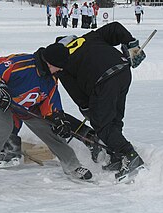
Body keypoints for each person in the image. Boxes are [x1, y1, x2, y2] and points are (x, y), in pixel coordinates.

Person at [0, 45, 93, 196]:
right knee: (4, 130)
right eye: (59, 67)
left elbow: (51, 99)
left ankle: (72, 165)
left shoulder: (51, 78)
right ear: (49, 63)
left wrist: (58, 117)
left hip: (26, 107)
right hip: (5, 103)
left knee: (48, 131)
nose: (60, 70)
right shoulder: (21, 64)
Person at [52, 22, 146, 182]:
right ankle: (117, 155)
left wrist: (88, 109)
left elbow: (77, 94)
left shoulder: (63, 62)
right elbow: (115, 27)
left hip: (103, 81)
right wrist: (132, 46)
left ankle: (130, 156)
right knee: (114, 118)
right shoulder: (90, 37)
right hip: (123, 71)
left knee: (102, 124)